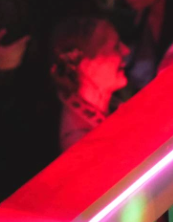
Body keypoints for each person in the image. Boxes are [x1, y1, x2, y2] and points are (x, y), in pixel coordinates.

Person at [51, 15, 128, 151]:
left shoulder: (112, 108)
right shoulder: (81, 143)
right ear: (84, 64)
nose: (127, 50)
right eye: (115, 47)